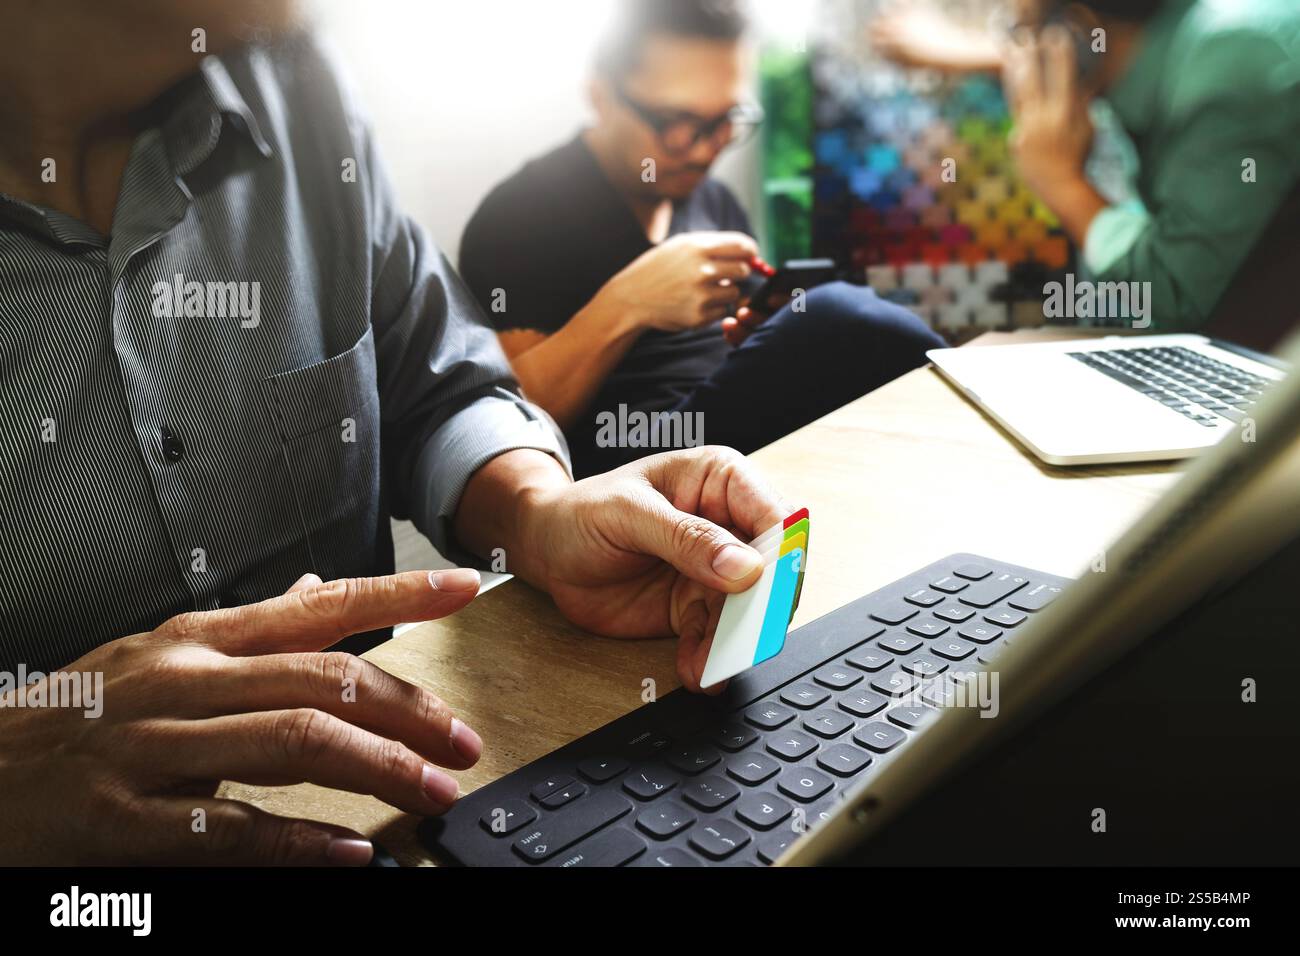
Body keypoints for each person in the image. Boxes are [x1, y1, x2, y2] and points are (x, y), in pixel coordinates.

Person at [0, 0, 792, 865]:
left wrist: (537, 513)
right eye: (673, 119)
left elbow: (438, 385)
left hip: (393, 813)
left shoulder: (303, 87)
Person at [459, 0, 944, 478]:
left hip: (729, 451)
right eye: (676, 124)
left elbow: (733, 355)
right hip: (623, 467)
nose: (703, 149)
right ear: (601, 96)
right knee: (841, 317)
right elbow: (506, 421)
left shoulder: (713, 199)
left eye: (724, 122)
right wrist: (629, 303)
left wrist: (763, 336)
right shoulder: (523, 215)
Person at [871, 0, 1300, 330]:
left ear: (1075, 35)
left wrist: (1061, 182)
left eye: (1015, 32)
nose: (1012, 59)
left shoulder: (1233, 68)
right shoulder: (1195, 37)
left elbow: (1168, 304)